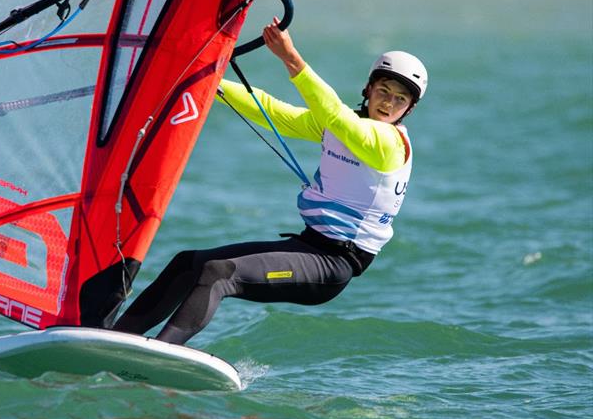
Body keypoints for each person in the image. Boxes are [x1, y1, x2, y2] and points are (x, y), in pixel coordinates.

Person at [113, 17, 428, 345]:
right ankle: (115, 338)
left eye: (400, 99)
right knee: (188, 263)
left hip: (332, 265)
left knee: (219, 274)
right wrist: (207, 81)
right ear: (369, 89)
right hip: (307, 246)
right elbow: (273, 111)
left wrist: (291, 58)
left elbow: (335, 114)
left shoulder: (389, 144)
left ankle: (161, 352)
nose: (388, 103)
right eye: (384, 91)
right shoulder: (341, 127)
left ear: (409, 108)